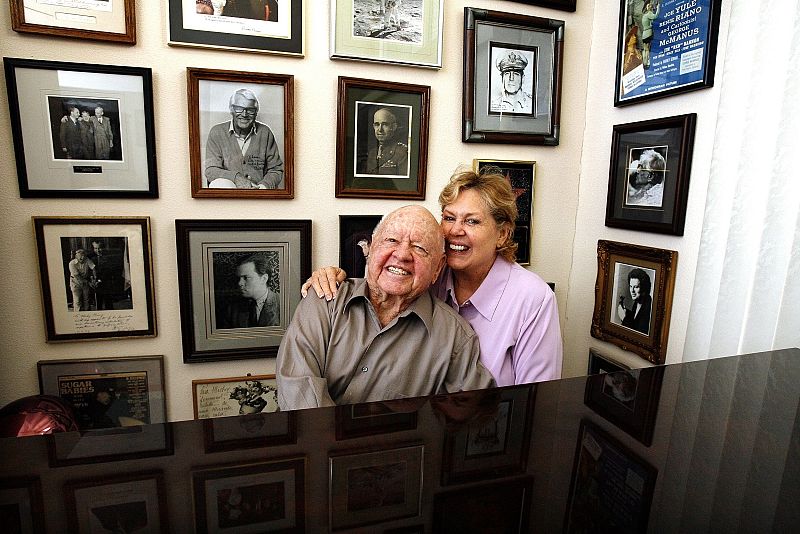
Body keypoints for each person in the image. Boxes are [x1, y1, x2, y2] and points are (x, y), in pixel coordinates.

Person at [304, 169, 563, 387]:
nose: (455, 230)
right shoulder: (426, 272)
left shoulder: (532, 298)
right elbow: (379, 280)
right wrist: (329, 276)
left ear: (502, 234)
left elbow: (536, 398)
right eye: (449, 218)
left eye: (472, 221)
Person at [277, 205, 495, 410]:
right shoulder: (325, 299)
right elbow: (298, 388)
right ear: (371, 249)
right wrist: (335, 438)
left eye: (419, 248)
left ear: (438, 267)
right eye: (391, 240)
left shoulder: (456, 338)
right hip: (315, 438)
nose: (402, 255)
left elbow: (472, 416)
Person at [205, 88, 284, 189]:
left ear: (256, 112)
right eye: (239, 108)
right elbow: (211, 170)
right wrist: (236, 178)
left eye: (250, 110)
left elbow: (276, 169)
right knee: (219, 184)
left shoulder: (265, 132)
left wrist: (262, 187)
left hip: (259, 192)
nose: (244, 114)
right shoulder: (217, 132)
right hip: (228, 193)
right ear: (231, 109)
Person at [221, 254, 280, 328]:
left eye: (246, 277)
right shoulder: (232, 310)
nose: (239, 283)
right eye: (238, 278)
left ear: (264, 279)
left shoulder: (284, 305)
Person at [361, 107, 408, 175]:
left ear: (394, 127)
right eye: (377, 124)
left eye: (385, 124)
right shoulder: (372, 153)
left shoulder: (402, 152)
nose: (380, 129)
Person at [88, 240, 126, 310]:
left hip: (106, 281)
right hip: (94, 282)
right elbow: (87, 270)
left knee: (108, 301)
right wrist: (91, 281)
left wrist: (99, 280)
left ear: (103, 248)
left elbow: (109, 271)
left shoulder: (108, 257)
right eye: (95, 248)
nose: (98, 250)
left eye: (99, 248)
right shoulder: (89, 257)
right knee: (98, 302)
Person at [617, 268, 652, 335]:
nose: (632, 291)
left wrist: (624, 318)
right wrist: (626, 312)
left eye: (636, 287)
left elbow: (637, 334)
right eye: (631, 286)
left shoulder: (649, 307)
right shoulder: (637, 302)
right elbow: (635, 320)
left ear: (644, 287)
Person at [641, 1, 661, 69]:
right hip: (648, 33)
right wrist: (658, 8)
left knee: (645, 49)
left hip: (644, 34)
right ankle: (647, 62)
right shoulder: (649, 14)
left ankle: (644, 62)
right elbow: (656, 16)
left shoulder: (644, 15)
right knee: (647, 49)